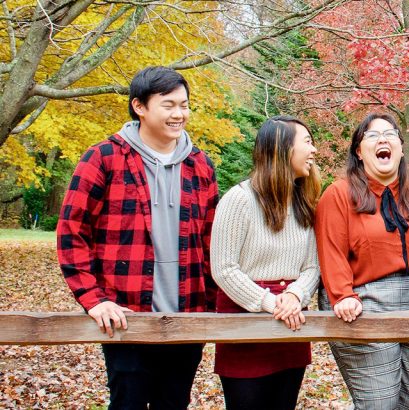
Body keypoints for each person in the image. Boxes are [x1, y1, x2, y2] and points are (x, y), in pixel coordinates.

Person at [56, 66, 219, 409]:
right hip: (125, 316)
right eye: (169, 105)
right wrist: (94, 299)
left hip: (186, 318)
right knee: (127, 403)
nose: (179, 114)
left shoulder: (200, 165)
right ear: (140, 107)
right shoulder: (104, 158)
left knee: (174, 404)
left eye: (184, 105)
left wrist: (211, 305)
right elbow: (72, 231)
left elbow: (211, 241)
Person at [315, 113, 409, 409]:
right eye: (372, 135)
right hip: (363, 303)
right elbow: (331, 250)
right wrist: (342, 296)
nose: (382, 139)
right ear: (358, 151)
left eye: (390, 134)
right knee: (380, 403)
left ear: (401, 149)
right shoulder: (339, 194)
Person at [210, 115, 321, 409]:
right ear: (283, 148)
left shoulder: (303, 203)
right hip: (245, 323)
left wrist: (295, 295)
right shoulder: (238, 200)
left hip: (291, 326)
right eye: (307, 142)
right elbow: (223, 269)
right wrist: (272, 304)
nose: (314, 151)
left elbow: (312, 267)